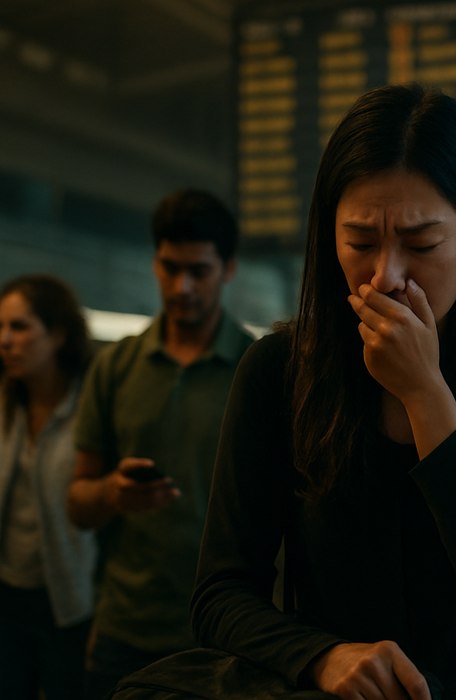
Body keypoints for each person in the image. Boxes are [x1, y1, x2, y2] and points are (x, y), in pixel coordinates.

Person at [190, 84, 456, 700]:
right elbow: (220, 595)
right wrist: (320, 656)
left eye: (422, 244)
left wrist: (426, 393)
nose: (387, 277)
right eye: (359, 243)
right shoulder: (278, 371)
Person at [66, 188, 254, 699]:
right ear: (154, 262)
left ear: (229, 268)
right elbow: (78, 504)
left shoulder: (258, 370)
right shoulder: (116, 368)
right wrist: (111, 493)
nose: (181, 286)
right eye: (170, 268)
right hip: (126, 630)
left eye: (199, 271)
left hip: (226, 637)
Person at [0, 275, 97, 699]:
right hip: (6, 593)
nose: (5, 340)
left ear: (57, 334)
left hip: (67, 602)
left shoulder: (88, 409)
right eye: (1, 327)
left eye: (20, 327)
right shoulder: (5, 404)